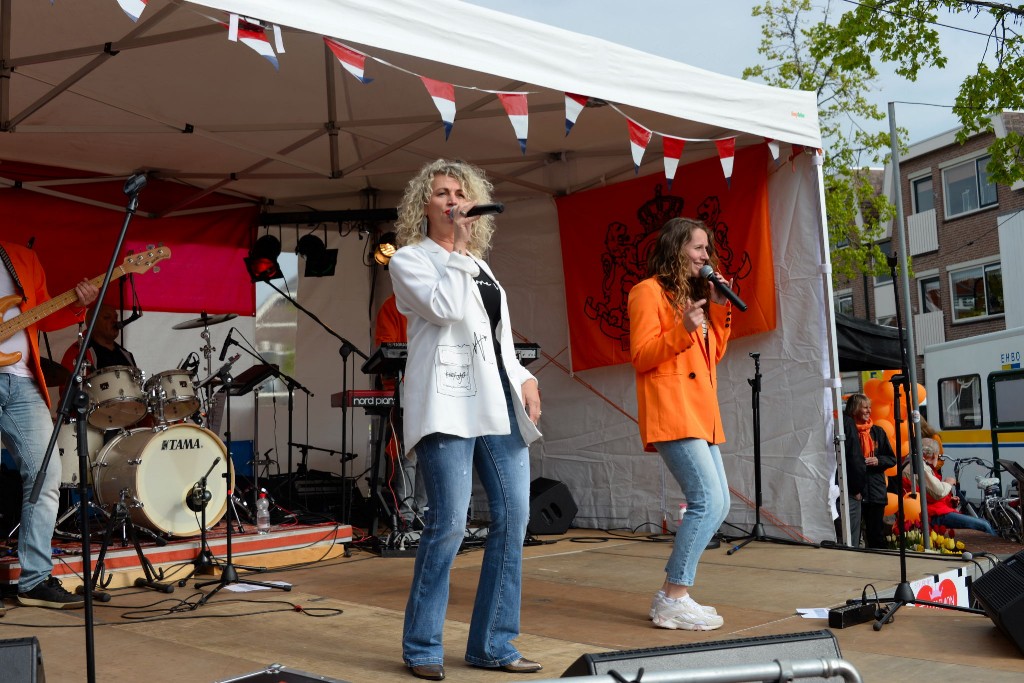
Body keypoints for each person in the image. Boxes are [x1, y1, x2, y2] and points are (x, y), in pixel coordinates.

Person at [389, 159, 543, 680]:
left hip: (497, 398)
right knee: (450, 523)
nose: (453, 200)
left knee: (514, 519)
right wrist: (456, 249)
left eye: (460, 192)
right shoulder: (410, 260)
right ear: (424, 206)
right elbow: (446, 310)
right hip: (448, 403)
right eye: (441, 194)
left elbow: (497, 336)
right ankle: (422, 647)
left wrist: (524, 375)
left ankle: (494, 645)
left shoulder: (481, 265)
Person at [627, 216, 731, 631]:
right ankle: (674, 596)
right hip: (672, 409)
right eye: (698, 248)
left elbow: (715, 355)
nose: (706, 255)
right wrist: (682, 328)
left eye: (707, 249)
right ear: (676, 249)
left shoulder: (694, 299)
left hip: (701, 412)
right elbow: (641, 355)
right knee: (706, 500)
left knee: (719, 503)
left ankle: (673, 595)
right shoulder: (646, 293)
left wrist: (717, 307)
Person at [0, 240, 98, 610]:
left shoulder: (21, 257)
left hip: (22, 382)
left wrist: (77, 303)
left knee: (45, 475)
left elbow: (42, 315)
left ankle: (35, 579)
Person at [373, 294, 425, 529]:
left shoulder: (435, 301)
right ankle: (406, 517)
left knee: (432, 453)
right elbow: (387, 351)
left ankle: (424, 512)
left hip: (438, 389)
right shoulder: (391, 306)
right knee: (408, 454)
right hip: (406, 389)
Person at [905, 437, 996, 535]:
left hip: (930, 510)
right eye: (938, 456)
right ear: (934, 455)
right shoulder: (920, 466)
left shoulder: (913, 464)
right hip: (933, 514)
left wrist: (949, 500)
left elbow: (927, 493)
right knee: (984, 525)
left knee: (984, 523)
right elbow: (938, 492)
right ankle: (998, 548)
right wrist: (948, 483)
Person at [844, 393, 897, 549]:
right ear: (854, 409)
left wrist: (878, 460)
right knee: (852, 536)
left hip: (874, 491)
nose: (869, 411)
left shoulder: (877, 432)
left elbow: (891, 458)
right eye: (865, 407)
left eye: (870, 407)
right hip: (852, 491)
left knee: (876, 535)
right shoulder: (846, 431)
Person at [59, 302, 137, 373]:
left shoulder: (127, 355)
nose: (115, 321)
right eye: (107, 317)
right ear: (92, 323)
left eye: (116, 318)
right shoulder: (77, 352)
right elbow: (68, 387)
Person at [836, 409, 867, 546]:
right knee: (850, 540)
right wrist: (857, 489)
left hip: (824, 488)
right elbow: (854, 458)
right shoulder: (845, 422)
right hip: (845, 490)